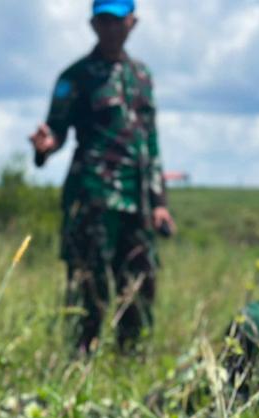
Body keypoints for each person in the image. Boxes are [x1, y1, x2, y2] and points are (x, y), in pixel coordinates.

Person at [29, 0, 175, 356]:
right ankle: (81, 361)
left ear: (132, 23)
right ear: (93, 25)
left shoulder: (142, 76)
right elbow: (56, 130)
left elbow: (151, 143)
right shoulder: (75, 77)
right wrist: (46, 146)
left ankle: (131, 363)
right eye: (104, 21)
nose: (111, 29)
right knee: (88, 287)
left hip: (138, 202)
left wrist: (160, 203)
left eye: (117, 21)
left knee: (140, 287)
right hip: (92, 196)